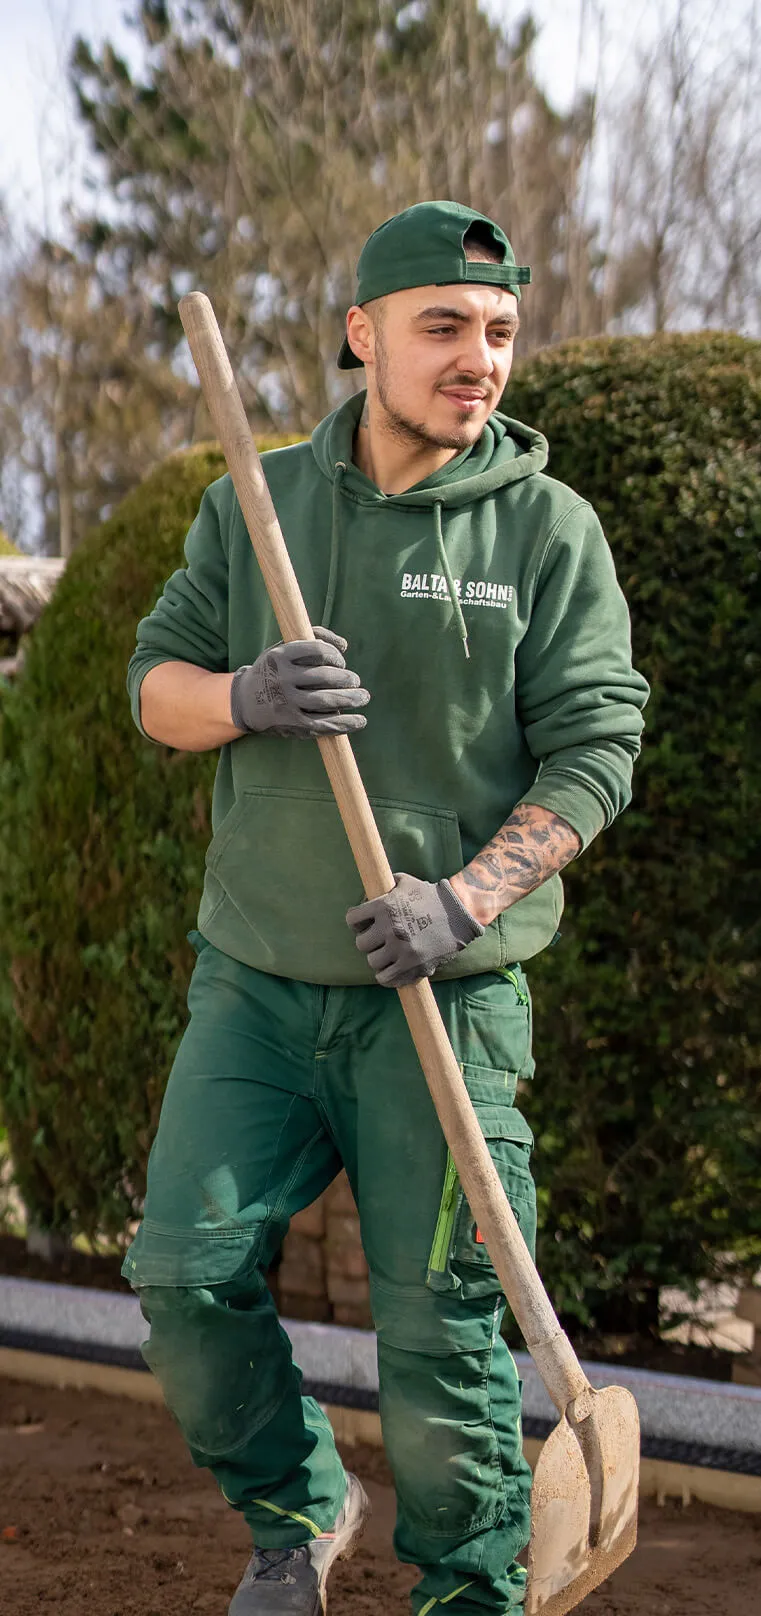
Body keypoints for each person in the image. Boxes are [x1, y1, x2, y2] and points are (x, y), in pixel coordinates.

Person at [122, 200, 649, 1616]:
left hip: (447, 995)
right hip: (262, 981)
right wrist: (242, 698)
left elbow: (600, 746)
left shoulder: (547, 531)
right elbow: (153, 686)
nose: (480, 358)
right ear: (363, 337)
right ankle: (298, 1501)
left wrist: (464, 899)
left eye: (500, 333)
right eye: (445, 327)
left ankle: (463, 1595)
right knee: (181, 1270)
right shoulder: (259, 503)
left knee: (446, 1338)